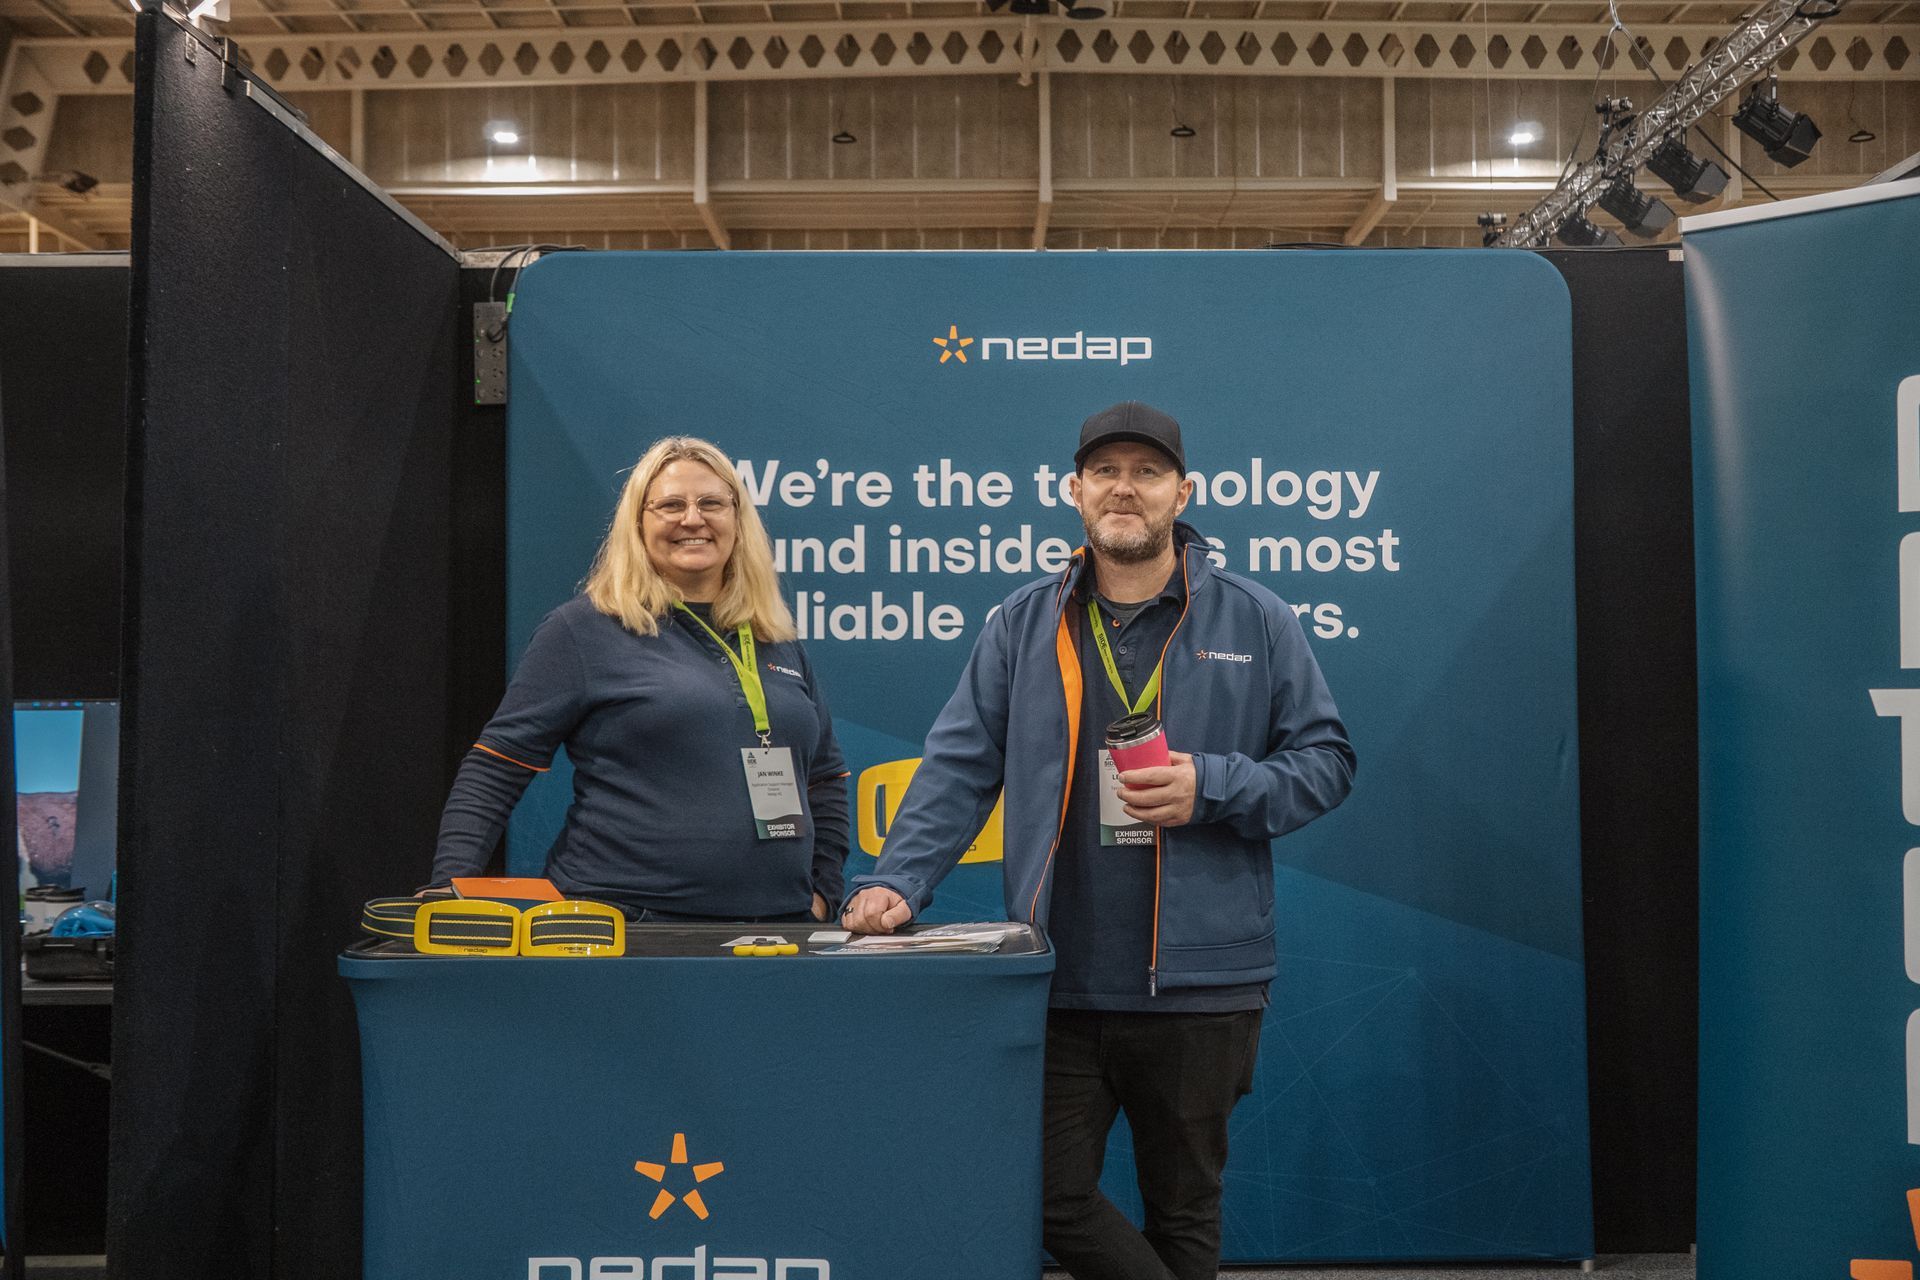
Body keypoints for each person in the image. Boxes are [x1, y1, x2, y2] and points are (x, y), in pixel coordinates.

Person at [842, 402, 1355, 1280]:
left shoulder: (1255, 618)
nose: (1126, 488)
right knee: (1045, 1198)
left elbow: (1326, 762)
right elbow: (961, 766)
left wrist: (1214, 785)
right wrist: (900, 880)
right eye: (1106, 472)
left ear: (1182, 493)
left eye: (1147, 472)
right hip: (1060, 978)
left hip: (1203, 984)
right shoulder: (1021, 621)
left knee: (1185, 1212)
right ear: (1073, 491)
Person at [429, 436, 849, 922]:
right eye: (670, 505)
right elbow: (497, 767)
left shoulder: (777, 639)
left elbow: (824, 779)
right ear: (638, 523)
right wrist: (449, 889)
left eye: (712, 503)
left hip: (777, 927)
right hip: (630, 927)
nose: (693, 519)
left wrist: (822, 893)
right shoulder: (584, 629)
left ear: (738, 520)